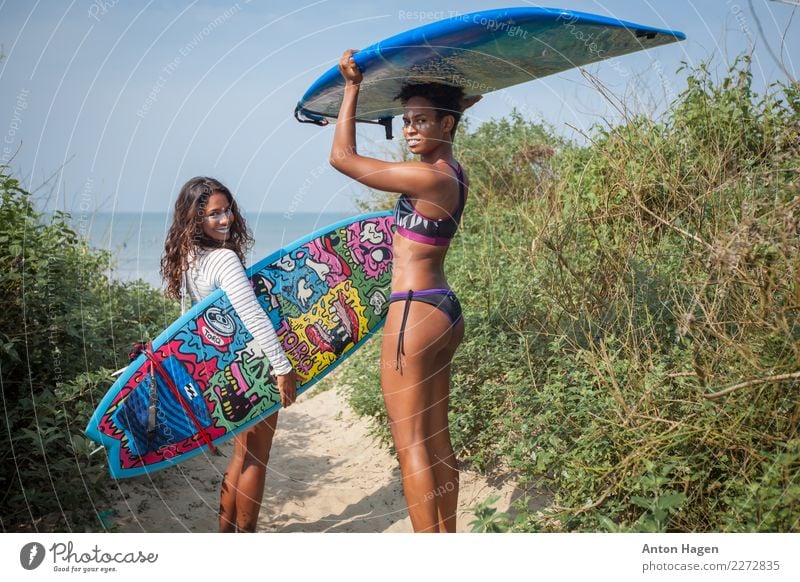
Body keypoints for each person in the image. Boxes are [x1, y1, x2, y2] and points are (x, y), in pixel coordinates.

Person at [330, 49, 479, 532]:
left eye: (421, 121)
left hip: (412, 313)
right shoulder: (453, 174)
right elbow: (440, 135)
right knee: (436, 437)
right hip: (444, 311)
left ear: (448, 126)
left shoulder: (426, 176)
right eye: (406, 121)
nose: (411, 130)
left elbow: (342, 158)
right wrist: (450, 107)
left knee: (410, 443)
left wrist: (351, 87)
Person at [160, 176, 297, 532]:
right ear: (195, 220)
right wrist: (282, 366)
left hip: (225, 372)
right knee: (256, 458)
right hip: (254, 367)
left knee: (241, 455)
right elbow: (252, 315)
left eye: (228, 210)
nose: (226, 219)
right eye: (214, 214)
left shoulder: (190, 256)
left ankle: (226, 536)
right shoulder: (223, 259)